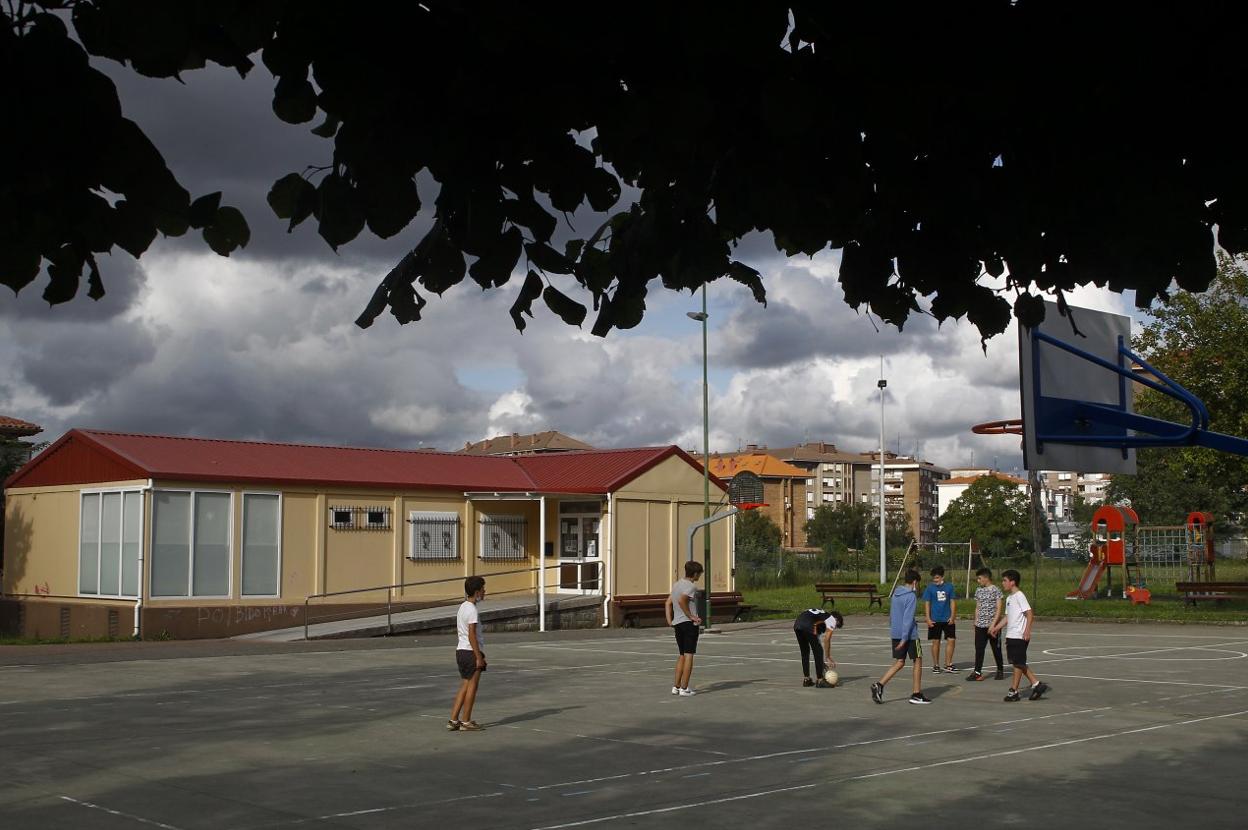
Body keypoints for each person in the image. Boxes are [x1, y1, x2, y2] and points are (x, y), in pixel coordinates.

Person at [872, 569, 931, 705]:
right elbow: (908, 619)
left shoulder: (895, 594)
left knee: (900, 662)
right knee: (917, 659)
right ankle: (916, 694)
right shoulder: (911, 596)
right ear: (915, 582)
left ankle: (879, 685)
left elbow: (892, 615)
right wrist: (905, 638)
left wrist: (895, 631)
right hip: (909, 634)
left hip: (896, 632)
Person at [989, 569, 1050, 702]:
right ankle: (1026, 688)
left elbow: (1029, 613)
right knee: (1018, 663)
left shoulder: (1019, 596)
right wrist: (996, 628)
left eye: (1005, 580)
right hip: (1011, 635)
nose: (1002, 583)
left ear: (1012, 582)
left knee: (1018, 663)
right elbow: (1007, 617)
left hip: (1019, 636)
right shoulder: (1010, 598)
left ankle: (1025, 687)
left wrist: (1027, 630)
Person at [449, 575, 487, 731]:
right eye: (483, 589)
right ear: (477, 592)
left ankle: (453, 720)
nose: (485, 592)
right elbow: (472, 634)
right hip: (471, 652)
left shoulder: (463, 607)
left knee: (465, 684)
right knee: (472, 686)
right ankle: (466, 721)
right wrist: (479, 657)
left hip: (461, 651)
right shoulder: (472, 610)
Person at [664, 560, 703, 696]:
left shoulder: (677, 585)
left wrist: (670, 620)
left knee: (681, 655)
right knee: (689, 655)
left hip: (678, 624)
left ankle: (676, 686)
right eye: (699, 574)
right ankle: (685, 688)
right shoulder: (691, 586)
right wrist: (691, 616)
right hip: (688, 624)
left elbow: (668, 603)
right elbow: (682, 600)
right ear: (696, 573)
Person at [966, 567, 1005, 681]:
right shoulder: (979, 590)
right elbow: (977, 607)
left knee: (996, 648)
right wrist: (975, 622)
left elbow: (998, 609)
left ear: (986, 578)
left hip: (993, 626)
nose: (978, 581)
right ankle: (977, 672)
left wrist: (993, 625)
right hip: (980, 625)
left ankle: (1000, 670)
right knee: (979, 649)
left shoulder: (996, 590)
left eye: (979, 578)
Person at [794, 607, 844, 687]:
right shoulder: (831, 619)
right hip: (807, 625)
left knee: (805, 652)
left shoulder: (820, 618)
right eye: (836, 625)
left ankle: (807, 679)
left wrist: (821, 663)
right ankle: (820, 680)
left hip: (797, 624)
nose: (833, 628)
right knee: (819, 651)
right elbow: (827, 639)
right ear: (836, 619)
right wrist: (828, 657)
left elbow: (816, 640)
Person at [922, 565, 958, 672]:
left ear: (942, 577)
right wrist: (928, 618)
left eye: (937, 578)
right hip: (935, 619)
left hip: (947, 619)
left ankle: (948, 664)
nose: (935, 580)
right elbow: (927, 603)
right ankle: (936, 665)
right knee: (936, 642)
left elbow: (952, 602)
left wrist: (952, 616)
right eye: (933, 578)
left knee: (951, 640)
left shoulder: (949, 587)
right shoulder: (929, 588)